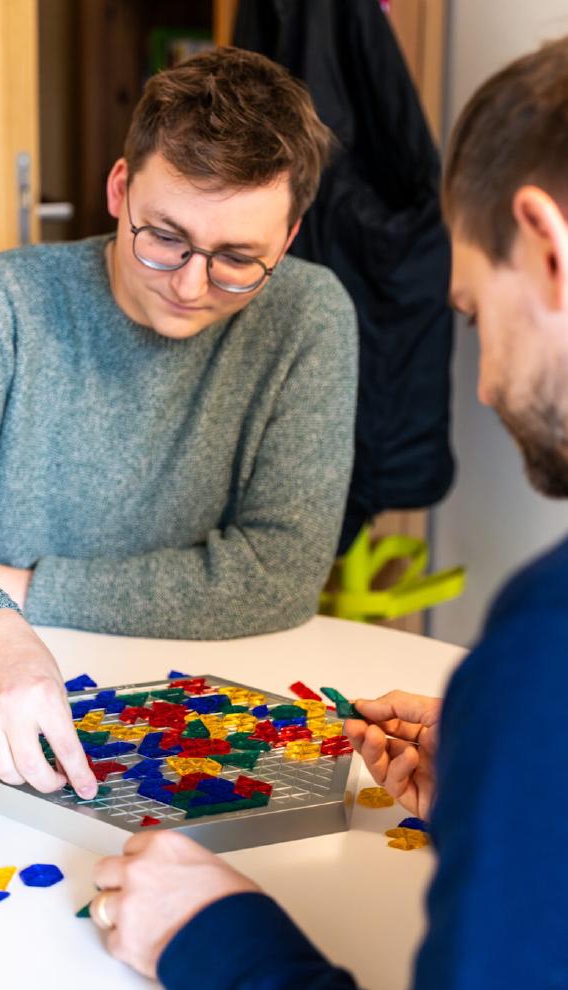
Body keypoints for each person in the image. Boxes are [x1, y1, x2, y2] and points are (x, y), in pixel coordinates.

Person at [88, 35, 568, 989]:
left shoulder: (545, 646)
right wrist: (507, 779)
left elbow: (275, 567)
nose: (482, 391)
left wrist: (214, 937)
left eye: (473, 315)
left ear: (547, 252)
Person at [0, 49, 357, 799]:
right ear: (120, 189)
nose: (189, 284)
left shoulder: (311, 315)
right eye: (165, 237)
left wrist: (19, 589)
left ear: (289, 238)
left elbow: (278, 574)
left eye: (238, 257)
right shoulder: (0, 296)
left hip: (205, 703)